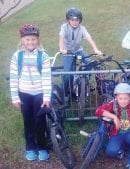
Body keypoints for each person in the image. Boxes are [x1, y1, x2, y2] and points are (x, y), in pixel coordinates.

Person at [9, 24, 52, 161]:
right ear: (22, 41)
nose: (30, 42)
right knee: (28, 121)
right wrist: (15, 97)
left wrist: (46, 96)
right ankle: (30, 147)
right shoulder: (17, 56)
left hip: (39, 93)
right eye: (27, 40)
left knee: (40, 121)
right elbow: (14, 77)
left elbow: (46, 77)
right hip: (24, 94)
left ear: (38, 40)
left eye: (33, 39)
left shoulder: (43, 56)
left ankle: (42, 147)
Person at [95, 83, 130, 169]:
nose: (123, 101)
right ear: (116, 98)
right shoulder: (113, 105)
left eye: (126, 98)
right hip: (117, 134)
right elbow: (98, 111)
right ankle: (122, 149)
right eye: (120, 98)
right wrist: (114, 117)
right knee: (110, 151)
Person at [59, 7, 103, 96]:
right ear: (68, 20)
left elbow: (89, 38)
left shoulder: (82, 28)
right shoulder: (64, 27)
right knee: (67, 74)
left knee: (90, 63)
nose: (75, 22)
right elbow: (61, 38)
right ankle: (65, 92)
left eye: (77, 20)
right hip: (67, 52)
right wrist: (62, 49)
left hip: (79, 50)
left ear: (80, 20)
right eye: (72, 20)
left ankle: (85, 80)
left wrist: (95, 49)